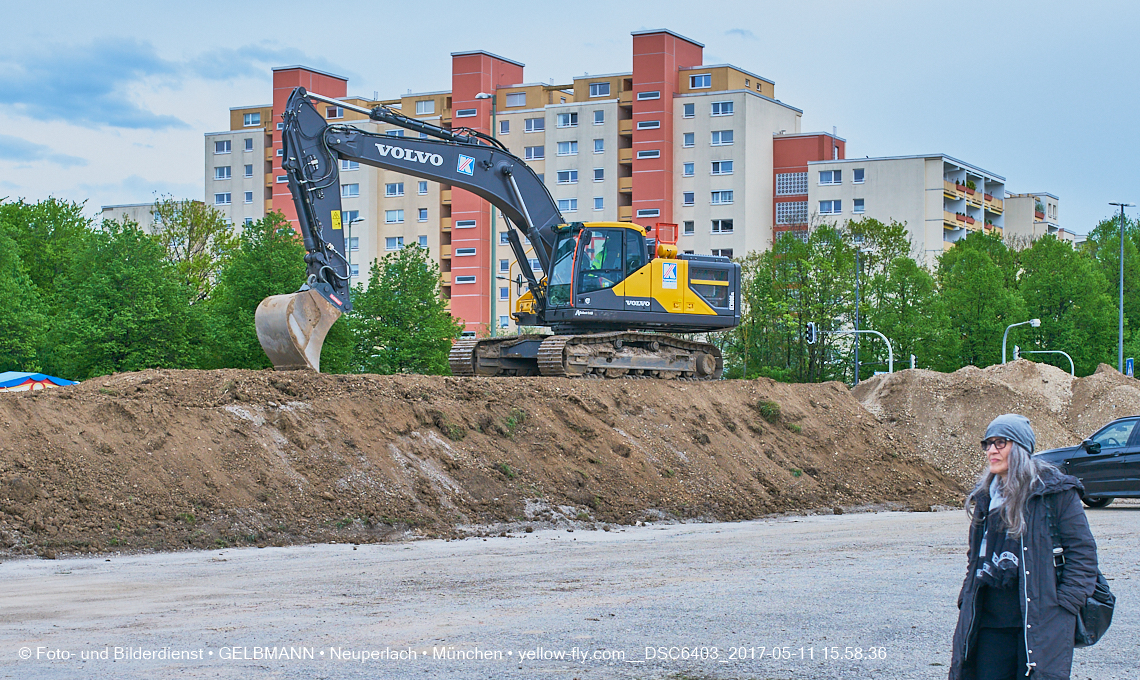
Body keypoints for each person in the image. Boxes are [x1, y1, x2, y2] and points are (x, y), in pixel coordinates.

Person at [949, 414, 1098, 680]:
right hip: (989, 621)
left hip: (1041, 618)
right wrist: (967, 595)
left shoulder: (1055, 493)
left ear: (1019, 448)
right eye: (987, 443)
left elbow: (1083, 553)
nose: (991, 450)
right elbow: (975, 556)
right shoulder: (985, 497)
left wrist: (1066, 604)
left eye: (1000, 443)